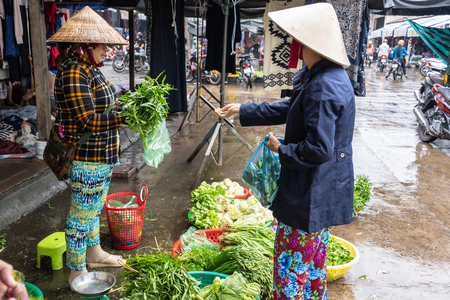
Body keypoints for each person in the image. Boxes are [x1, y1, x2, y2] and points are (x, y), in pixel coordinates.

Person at [215, 3, 355, 299]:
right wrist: (244, 109)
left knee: (290, 277)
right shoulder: (331, 76)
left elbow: (318, 149)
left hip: (308, 198)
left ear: (306, 43)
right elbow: (293, 108)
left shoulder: (322, 85)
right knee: (313, 272)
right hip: (324, 193)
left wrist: (281, 148)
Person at [47, 6, 129, 285]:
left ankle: (94, 253)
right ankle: (77, 270)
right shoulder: (73, 72)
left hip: (101, 156)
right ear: (86, 45)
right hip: (85, 157)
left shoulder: (89, 68)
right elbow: (88, 120)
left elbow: (106, 104)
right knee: (81, 217)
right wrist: (124, 117)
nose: (106, 51)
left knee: (92, 210)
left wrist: (127, 105)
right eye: (103, 47)